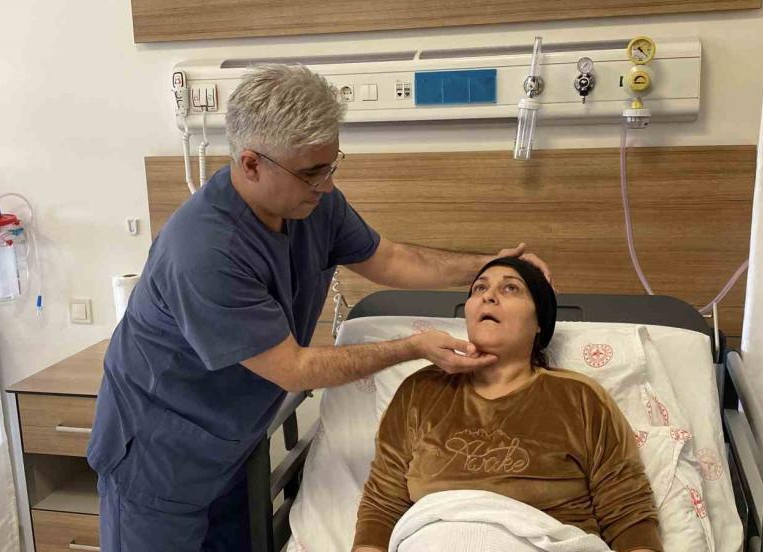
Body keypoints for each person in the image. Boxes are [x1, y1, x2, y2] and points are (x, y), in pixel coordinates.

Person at [87, 64, 552, 552]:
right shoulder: (204, 250)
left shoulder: (310, 204)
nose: (326, 185)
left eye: (331, 165)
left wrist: (492, 264)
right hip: (157, 456)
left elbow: (390, 259)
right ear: (251, 164)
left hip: (232, 445)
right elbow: (294, 369)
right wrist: (413, 348)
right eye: (311, 172)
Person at [353, 257, 662, 552]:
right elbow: (383, 503)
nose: (488, 296)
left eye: (510, 288)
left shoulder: (580, 398)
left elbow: (626, 507)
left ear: (539, 321)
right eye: (479, 288)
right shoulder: (420, 391)